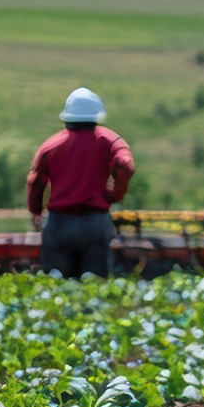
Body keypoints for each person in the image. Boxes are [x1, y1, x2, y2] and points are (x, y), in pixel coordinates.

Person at [26, 87, 135, 278]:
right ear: (97, 116)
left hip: (58, 223)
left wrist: (36, 211)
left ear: (67, 117)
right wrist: (114, 194)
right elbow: (126, 165)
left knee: (55, 281)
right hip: (95, 222)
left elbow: (35, 181)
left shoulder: (51, 145)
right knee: (93, 283)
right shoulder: (110, 140)